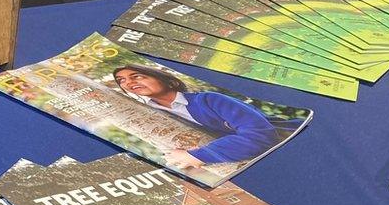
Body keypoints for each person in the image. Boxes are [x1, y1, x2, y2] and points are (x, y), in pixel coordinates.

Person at [112, 64, 281, 169]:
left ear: (168, 81)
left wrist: (199, 155)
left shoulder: (210, 100)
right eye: (121, 81)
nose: (128, 83)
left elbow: (261, 136)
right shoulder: (150, 115)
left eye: (137, 76)